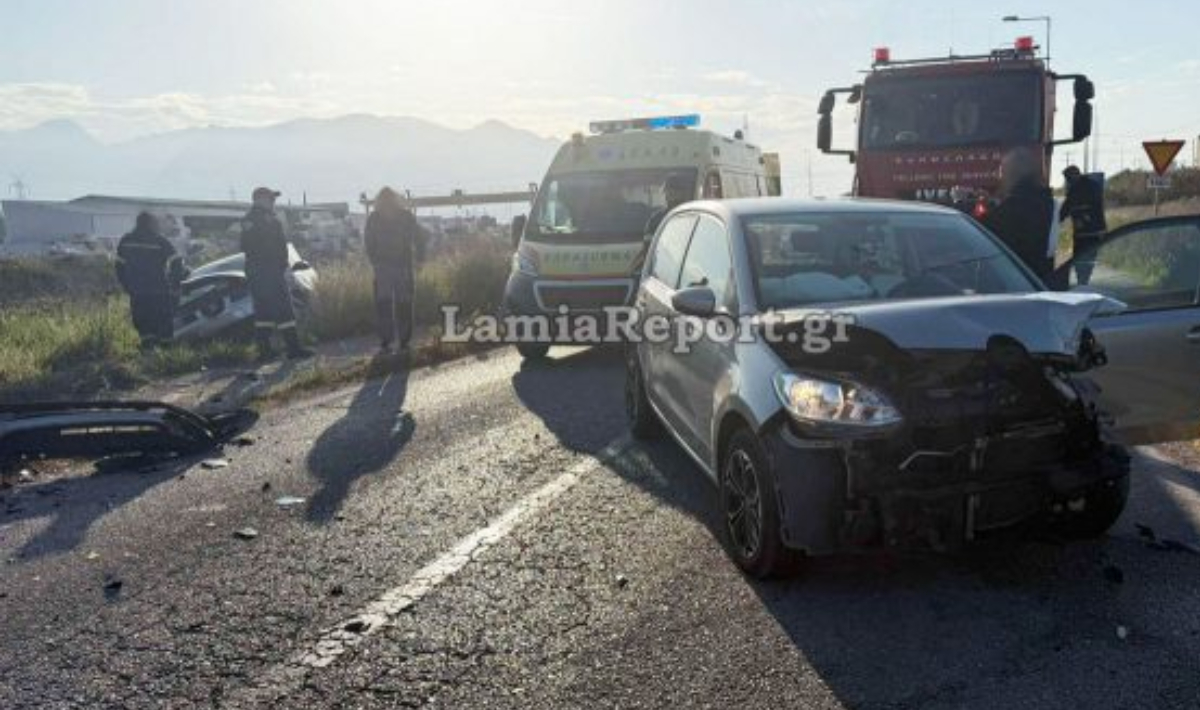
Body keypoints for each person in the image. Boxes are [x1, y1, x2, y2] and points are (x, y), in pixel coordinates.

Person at [241, 187, 313, 360]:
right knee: (283, 308)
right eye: (270, 198)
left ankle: (265, 351)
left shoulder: (265, 218)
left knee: (264, 312)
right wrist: (275, 263)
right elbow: (249, 246)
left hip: (264, 270)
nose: (273, 202)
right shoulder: (254, 219)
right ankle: (293, 348)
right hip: (266, 270)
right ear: (259, 199)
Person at [365, 187, 425, 353]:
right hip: (398, 266)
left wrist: (375, 262)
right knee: (401, 304)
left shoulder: (376, 218)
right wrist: (420, 259)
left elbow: (368, 243)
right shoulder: (404, 216)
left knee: (386, 305)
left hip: (388, 267)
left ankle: (389, 341)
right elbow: (420, 238)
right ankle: (401, 341)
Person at [116, 211, 188, 348]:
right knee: (163, 321)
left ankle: (149, 351)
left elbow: (119, 266)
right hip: (158, 290)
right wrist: (175, 282)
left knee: (143, 323)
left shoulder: (126, 241)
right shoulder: (159, 240)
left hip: (137, 291)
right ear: (151, 224)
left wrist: (126, 285)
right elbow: (177, 261)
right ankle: (166, 352)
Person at [983, 149, 1056, 283]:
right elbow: (1063, 252)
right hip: (1047, 282)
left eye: (1002, 172)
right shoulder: (1054, 205)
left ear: (1013, 175)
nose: (1000, 177)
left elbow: (980, 236)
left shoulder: (1010, 209)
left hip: (1017, 283)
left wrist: (960, 204)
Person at [1059, 165, 1108, 285]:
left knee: (1081, 259)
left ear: (1072, 176)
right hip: (1094, 232)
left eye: (1067, 178)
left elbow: (1065, 210)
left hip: (1086, 233)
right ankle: (1084, 281)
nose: (1067, 182)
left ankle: (1082, 281)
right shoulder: (1091, 186)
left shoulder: (1076, 189)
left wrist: (1056, 220)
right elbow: (1065, 210)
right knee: (1087, 259)